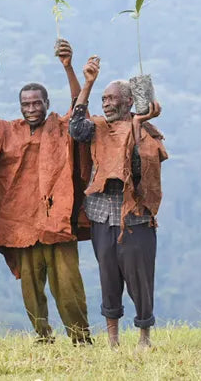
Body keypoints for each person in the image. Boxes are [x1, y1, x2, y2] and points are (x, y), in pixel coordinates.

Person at [0, 40, 91, 344]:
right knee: (30, 287)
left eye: (36, 103)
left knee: (68, 284)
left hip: (56, 221)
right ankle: (42, 336)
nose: (31, 108)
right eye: (26, 104)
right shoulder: (8, 130)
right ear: (20, 106)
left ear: (47, 103)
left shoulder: (61, 126)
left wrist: (68, 67)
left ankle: (80, 338)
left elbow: (80, 105)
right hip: (21, 223)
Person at [69, 57, 167, 348]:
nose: (106, 103)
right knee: (108, 275)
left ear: (128, 102)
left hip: (135, 218)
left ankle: (144, 337)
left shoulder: (146, 132)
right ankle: (113, 340)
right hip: (102, 216)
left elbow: (139, 170)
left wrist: (137, 125)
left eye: (112, 98)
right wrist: (87, 84)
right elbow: (76, 128)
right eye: (104, 99)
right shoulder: (98, 129)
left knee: (140, 278)